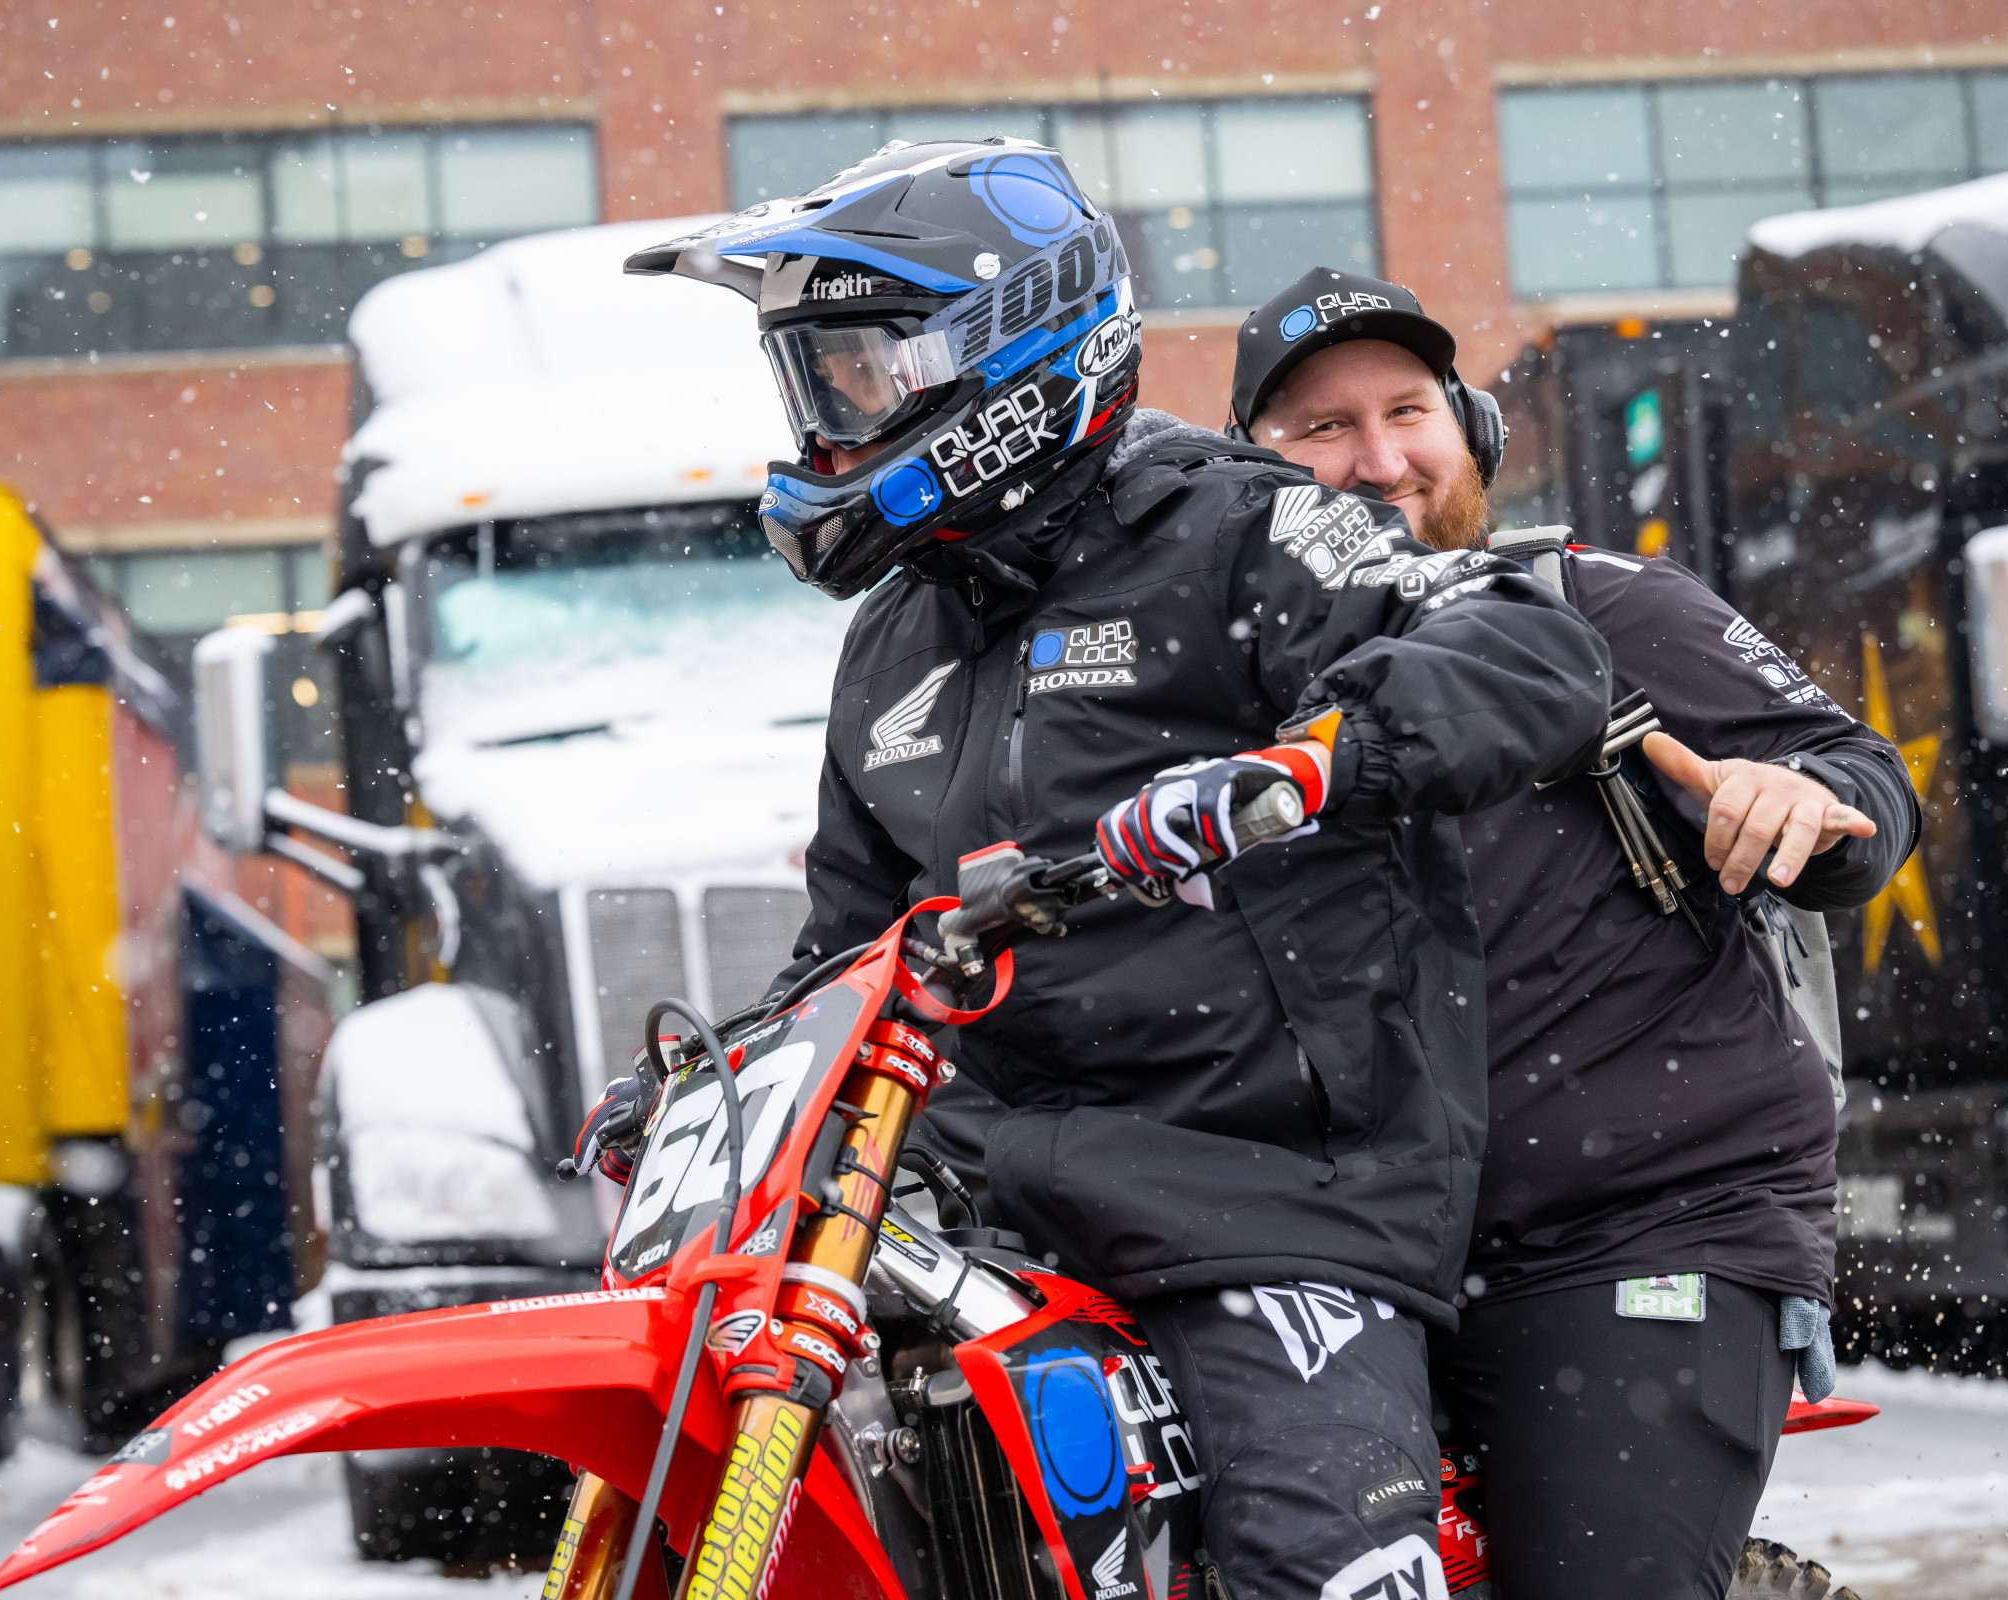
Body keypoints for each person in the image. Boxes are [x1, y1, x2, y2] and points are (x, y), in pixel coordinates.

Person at [617, 144, 1611, 1599]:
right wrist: (709, 1083)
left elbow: (1524, 650)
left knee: (1310, 1570)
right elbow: (849, 945)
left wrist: (1308, 762)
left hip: (1273, 1195)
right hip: (987, 1201)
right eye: (814, 386)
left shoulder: (1247, 527)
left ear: (1004, 358)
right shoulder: (896, 644)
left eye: (859, 377)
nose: (832, 425)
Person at [1230, 267, 1922, 1600]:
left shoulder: (1592, 605)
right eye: (1321, 430)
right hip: (1351, 1249)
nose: (1379, 461)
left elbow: (1859, 781)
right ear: (1241, 482)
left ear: (1469, 426)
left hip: (1639, 1227)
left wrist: (1810, 800)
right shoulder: (1227, 683)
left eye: (1406, 411)